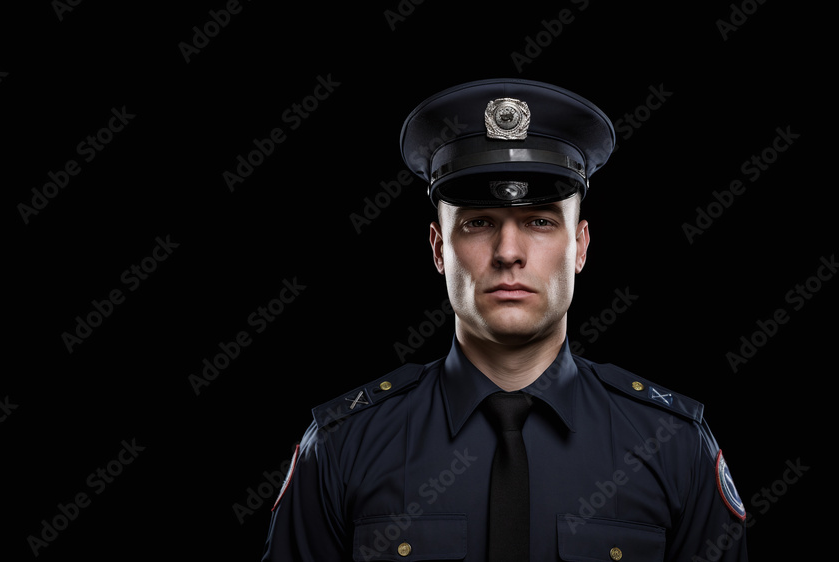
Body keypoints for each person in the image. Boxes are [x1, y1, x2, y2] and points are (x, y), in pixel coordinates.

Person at [262, 78, 747, 561]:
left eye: (539, 221)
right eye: (478, 222)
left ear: (579, 246)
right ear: (438, 249)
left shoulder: (673, 446)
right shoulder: (344, 445)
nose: (508, 253)